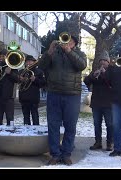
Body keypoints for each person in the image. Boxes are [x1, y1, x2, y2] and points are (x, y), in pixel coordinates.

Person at [38, 32, 87, 165]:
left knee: (70, 126)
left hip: (72, 95)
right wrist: (49, 51)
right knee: (53, 125)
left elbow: (82, 65)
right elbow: (41, 67)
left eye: (70, 41)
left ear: (75, 44)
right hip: (54, 93)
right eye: (66, 40)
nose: (67, 43)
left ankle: (66, 154)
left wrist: (69, 52)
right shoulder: (53, 53)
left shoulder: (80, 54)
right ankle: (55, 154)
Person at [84, 50, 114, 151]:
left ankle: (109, 143)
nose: (102, 63)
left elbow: (112, 84)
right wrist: (93, 75)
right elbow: (86, 81)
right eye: (101, 61)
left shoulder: (111, 72)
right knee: (97, 124)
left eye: (105, 61)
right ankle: (98, 142)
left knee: (109, 124)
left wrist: (104, 74)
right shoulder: (95, 71)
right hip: (96, 103)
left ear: (108, 62)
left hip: (108, 103)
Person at [0, 49, 19, 125]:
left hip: (8, 97)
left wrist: (10, 73)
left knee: (10, 119)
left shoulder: (13, 66)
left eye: (4, 56)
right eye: (1, 56)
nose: (1, 58)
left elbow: (17, 79)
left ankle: (9, 135)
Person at [18, 55, 46, 125]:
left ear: (34, 62)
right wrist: (20, 79)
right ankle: (26, 131)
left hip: (33, 98)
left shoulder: (39, 72)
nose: (28, 63)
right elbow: (17, 82)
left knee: (35, 116)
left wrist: (35, 79)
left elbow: (43, 83)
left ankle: (36, 130)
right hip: (23, 98)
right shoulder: (21, 71)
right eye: (27, 61)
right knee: (25, 117)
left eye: (30, 61)